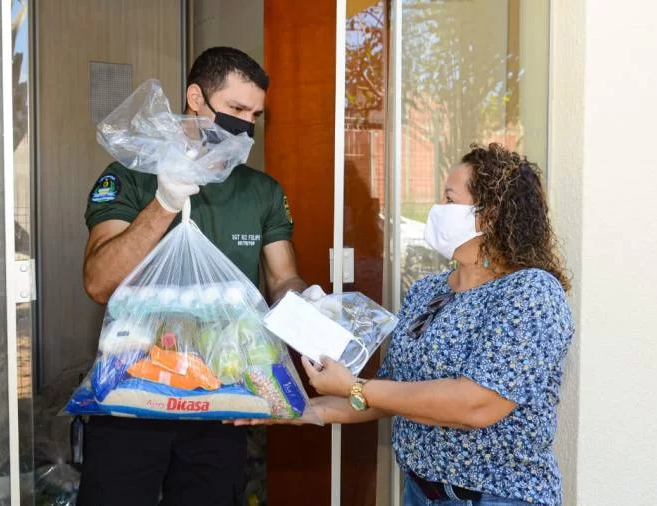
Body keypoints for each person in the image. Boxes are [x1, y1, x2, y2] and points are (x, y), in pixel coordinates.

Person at [239, 143, 574, 506]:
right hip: (418, 492)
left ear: (488, 214)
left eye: (449, 200)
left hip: (496, 498)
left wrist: (356, 385)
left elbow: (476, 405)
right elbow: (391, 393)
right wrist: (297, 410)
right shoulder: (428, 290)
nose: (438, 211)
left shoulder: (531, 292)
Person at [77, 47, 308, 506]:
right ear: (196, 98)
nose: (247, 125)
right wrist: (163, 203)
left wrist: (312, 311)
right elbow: (98, 283)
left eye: (255, 114)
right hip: (131, 399)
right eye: (236, 109)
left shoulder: (260, 191)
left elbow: (283, 283)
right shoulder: (131, 176)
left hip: (221, 406)